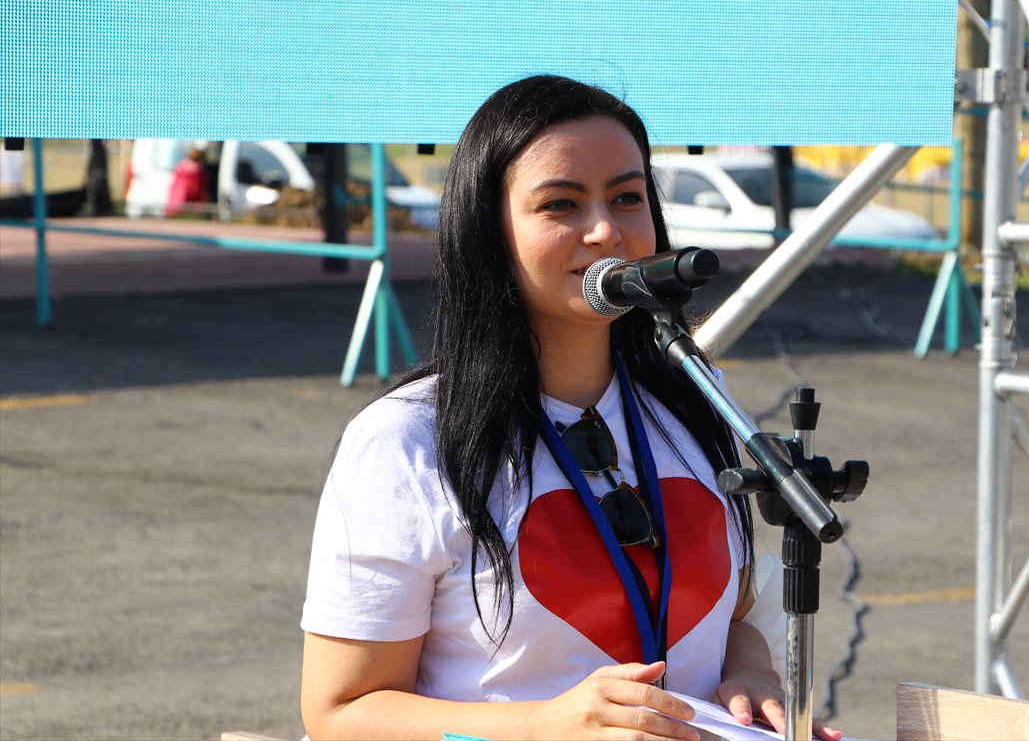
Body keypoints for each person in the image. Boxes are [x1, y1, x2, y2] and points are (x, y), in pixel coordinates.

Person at [300, 75, 841, 741]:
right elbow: (339, 712)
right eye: (561, 204)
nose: (606, 231)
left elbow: (735, 616)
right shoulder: (404, 440)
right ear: (488, 232)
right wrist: (543, 726)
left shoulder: (697, 399)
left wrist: (752, 673)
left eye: (627, 198)